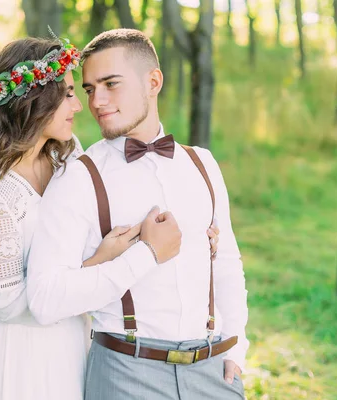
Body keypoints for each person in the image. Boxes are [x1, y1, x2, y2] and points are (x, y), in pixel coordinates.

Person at [0, 36, 221, 399]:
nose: (80, 105)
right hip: (27, 354)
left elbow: (109, 214)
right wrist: (100, 260)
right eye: (66, 94)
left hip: (80, 340)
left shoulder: (67, 158)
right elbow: (11, 305)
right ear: (33, 101)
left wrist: (193, 235)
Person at [27, 29, 248, 399]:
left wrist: (237, 350)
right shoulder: (78, 177)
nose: (97, 101)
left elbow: (226, 263)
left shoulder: (203, 164)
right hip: (125, 373)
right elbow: (45, 299)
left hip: (214, 374)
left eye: (111, 84)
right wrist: (146, 256)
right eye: (89, 89)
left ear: (153, 82)